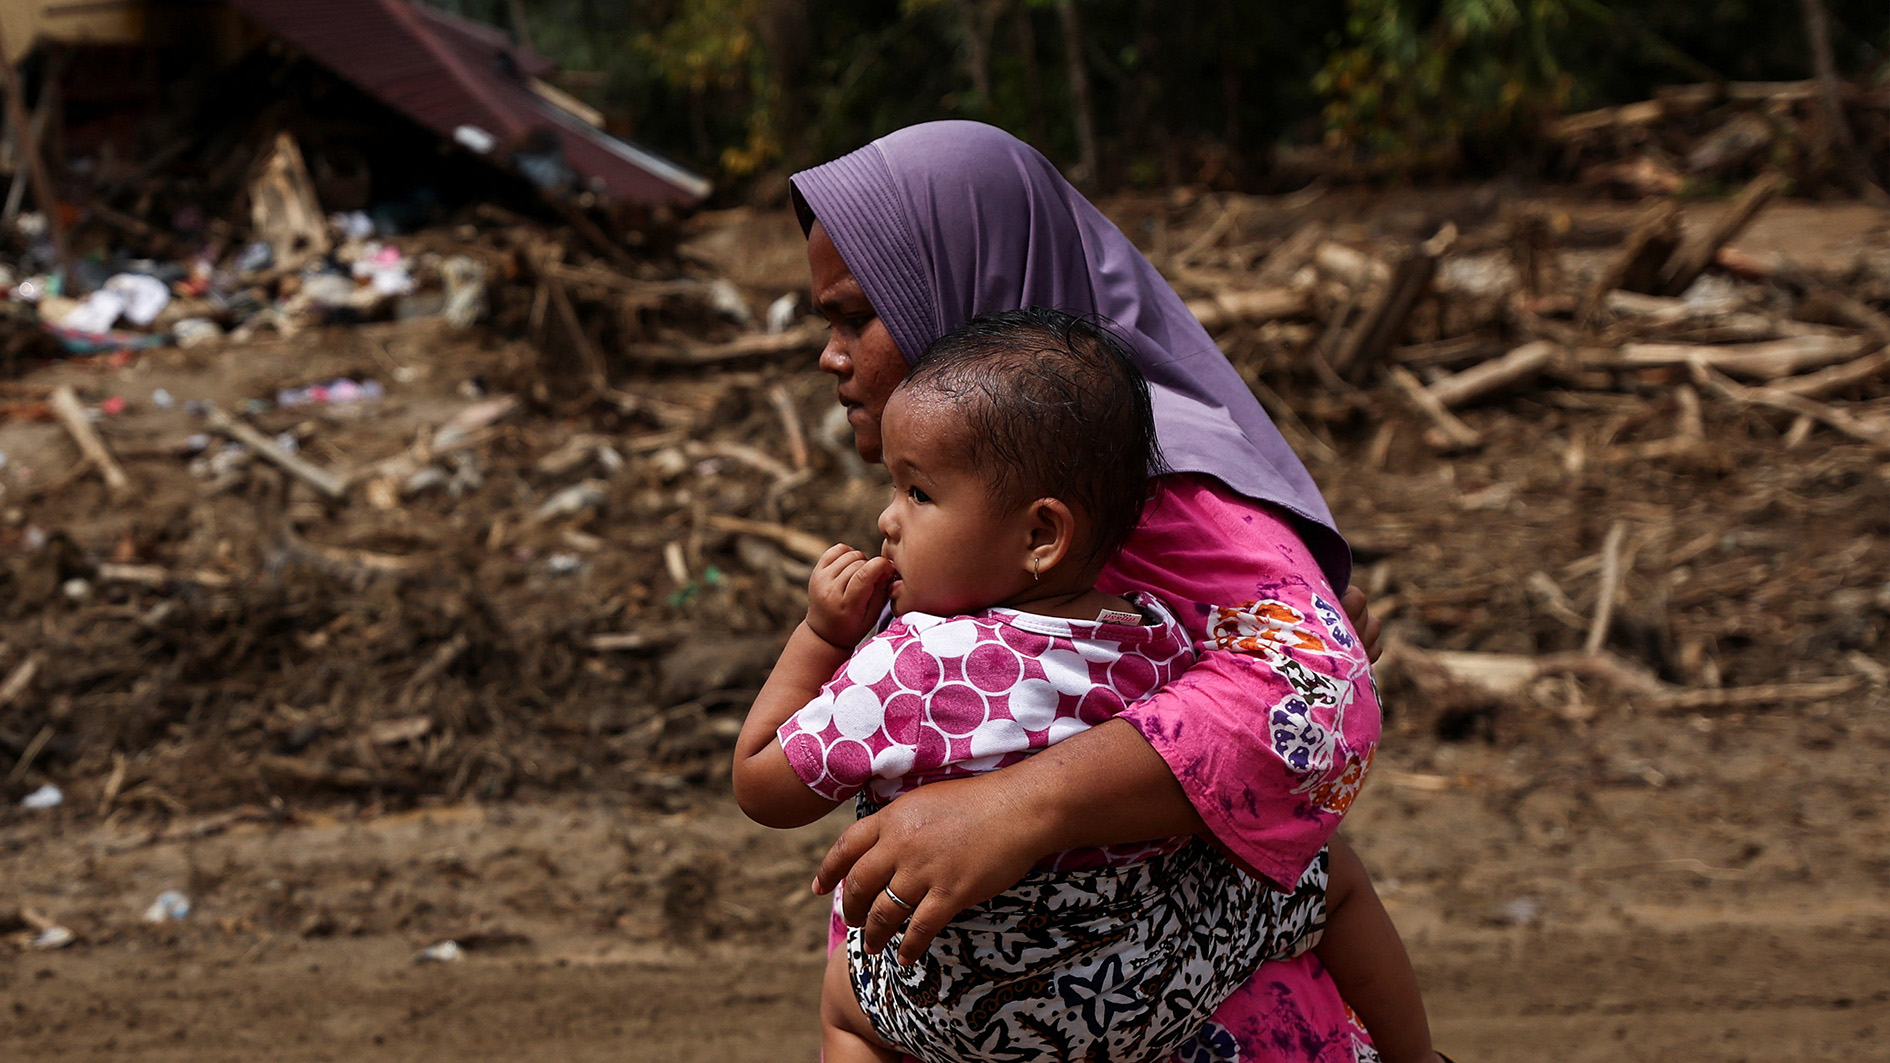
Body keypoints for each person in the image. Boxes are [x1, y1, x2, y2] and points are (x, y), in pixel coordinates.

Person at [785, 120, 1435, 1063]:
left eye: (856, 316)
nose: (831, 355)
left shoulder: (1154, 486)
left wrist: (1016, 808)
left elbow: (1318, 695)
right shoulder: (982, 490)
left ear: (964, 289)